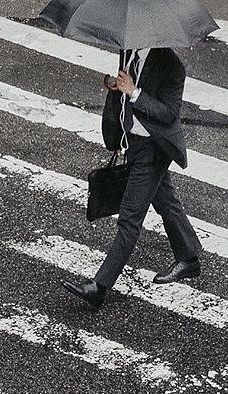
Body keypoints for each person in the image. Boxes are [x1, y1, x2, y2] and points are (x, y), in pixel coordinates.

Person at [62, 47, 202, 306]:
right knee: (166, 201)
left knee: (129, 219)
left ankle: (99, 286)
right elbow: (123, 99)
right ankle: (189, 257)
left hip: (154, 150)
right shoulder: (129, 51)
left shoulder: (171, 65)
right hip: (134, 143)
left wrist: (134, 92)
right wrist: (117, 95)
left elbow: (169, 114)